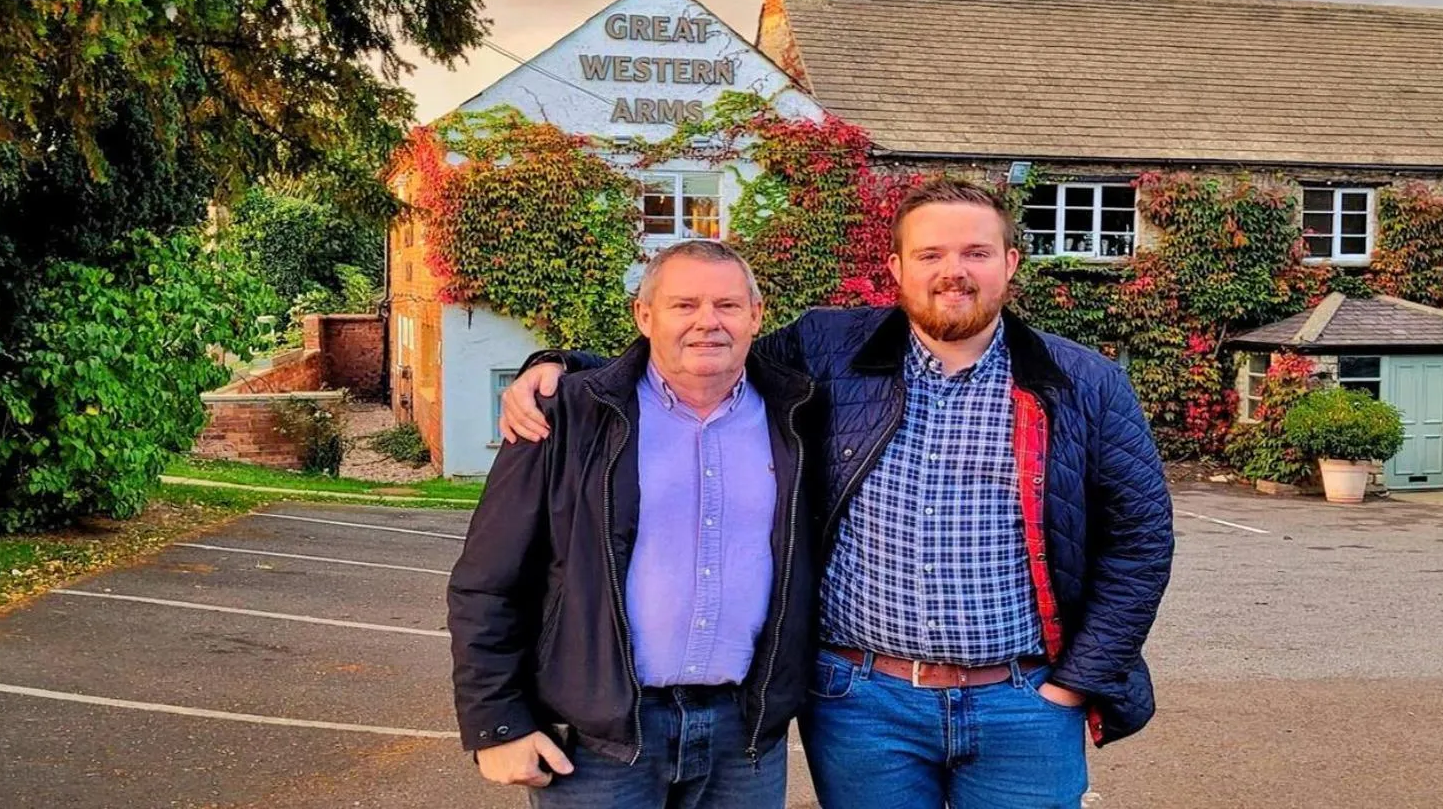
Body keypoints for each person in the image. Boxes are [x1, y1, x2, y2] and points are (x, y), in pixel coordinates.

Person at [502, 177, 1175, 809]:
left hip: (1024, 703)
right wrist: (563, 369)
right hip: (863, 706)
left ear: (1010, 263)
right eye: (931, 254)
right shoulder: (828, 349)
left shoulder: (1085, 382)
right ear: (897, 268)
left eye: (976, 252)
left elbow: (1140, 541)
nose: (954, 271)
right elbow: (703, 355)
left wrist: (1076, 683)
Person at [448, 239, 815, 808]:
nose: (707, 322)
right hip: (601, 742)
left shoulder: (798, 416)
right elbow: (487, 580)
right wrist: (497, 723)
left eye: (727, 305)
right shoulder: (566, 413)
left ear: (756, 316)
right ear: (644, 316)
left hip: (743, 736)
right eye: (683, 305)